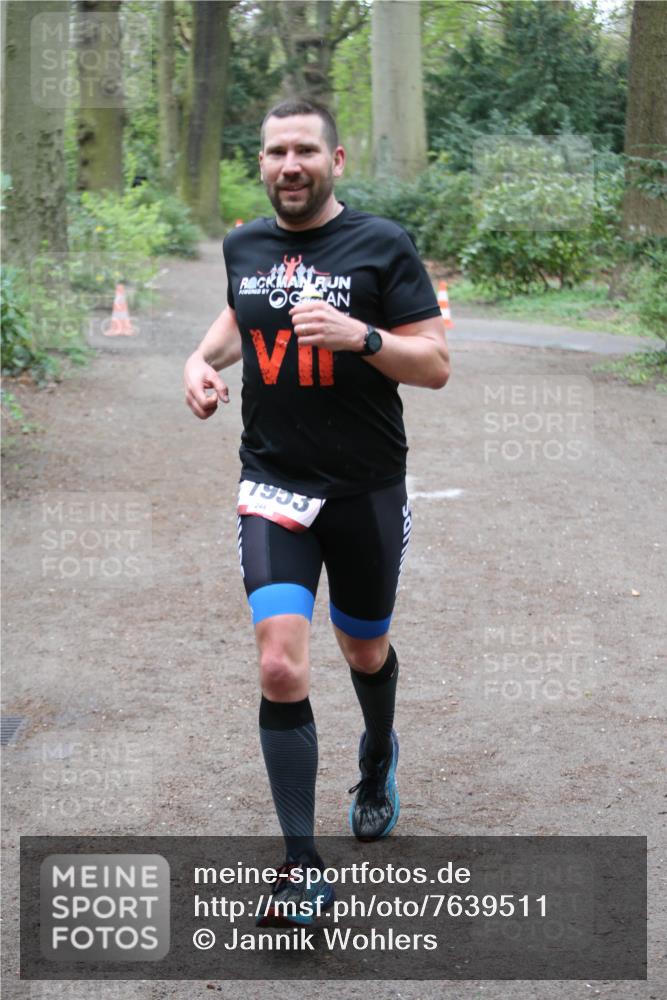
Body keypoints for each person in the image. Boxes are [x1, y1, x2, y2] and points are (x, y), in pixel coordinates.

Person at [184, 99, 450, 925]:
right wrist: (199, 360)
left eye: (304, 150)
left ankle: (376, 757)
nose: (288, 165)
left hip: (364, 488)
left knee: (363, 649)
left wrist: (360, 336)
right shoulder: (245, 246)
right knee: (278, 663)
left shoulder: (382, 244)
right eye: (275, 152)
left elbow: (434, 363)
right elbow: (239, 314)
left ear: (334, 160)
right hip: (273, 484)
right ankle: (301, 869)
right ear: (261, 163)